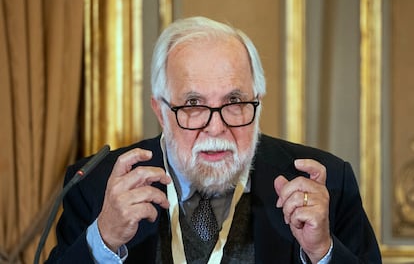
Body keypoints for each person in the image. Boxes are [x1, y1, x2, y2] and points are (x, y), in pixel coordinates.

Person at [46, 16, 381, 263]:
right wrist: (102, 241)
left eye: (234, 102)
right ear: (161, 111)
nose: (216, 128)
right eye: (193, 104)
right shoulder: (94, 185)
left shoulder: (326, 184)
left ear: (258, 101)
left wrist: (323, 252)